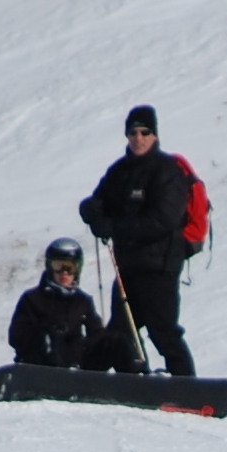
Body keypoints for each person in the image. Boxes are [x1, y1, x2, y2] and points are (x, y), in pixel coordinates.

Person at [78, 104, 196, 377]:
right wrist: (91, 211)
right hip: (127, 269)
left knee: (163, 331)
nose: (138, 138)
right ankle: (132, 380)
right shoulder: (119, 172)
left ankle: (188, 387)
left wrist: (114, 226)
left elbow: (162, 220)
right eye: (133, 132)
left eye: (144, 132)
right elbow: (98, 201)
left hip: (159, 267)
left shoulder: (167, 171)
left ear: (154, 135)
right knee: (121, 333)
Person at [7, 238, 139, 370]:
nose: (64, 273)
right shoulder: (32, 299)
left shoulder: (82, 301)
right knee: (48, 338)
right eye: (58, 266)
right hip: (42, 367)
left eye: (69, 267)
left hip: (79, 366)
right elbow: (16, 337)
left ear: (77, 270)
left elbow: (96, 334)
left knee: (116, 341)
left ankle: (135, 381)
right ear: (49, 267)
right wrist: (47, 331)